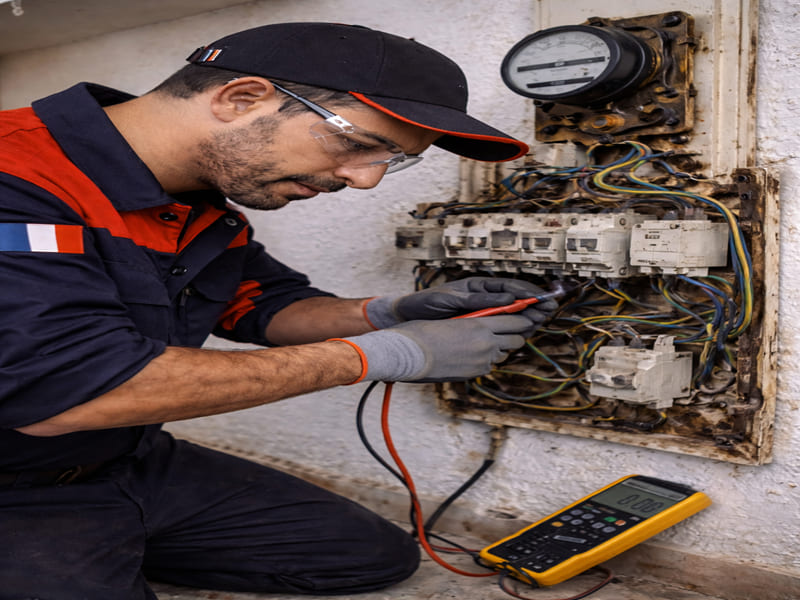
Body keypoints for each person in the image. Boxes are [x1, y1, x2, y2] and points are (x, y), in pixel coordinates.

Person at [0, 22, 557, 599]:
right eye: (358, 143)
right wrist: (388, 355)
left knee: (367, 556)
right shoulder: (15, 174)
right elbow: (67, 392)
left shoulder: (194, 199)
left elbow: (263, 305)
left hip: (122, 460)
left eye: (392, 161)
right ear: (241, 99)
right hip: (15, 476)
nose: (364, 180)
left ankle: (103, 542)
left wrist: (387, 312)